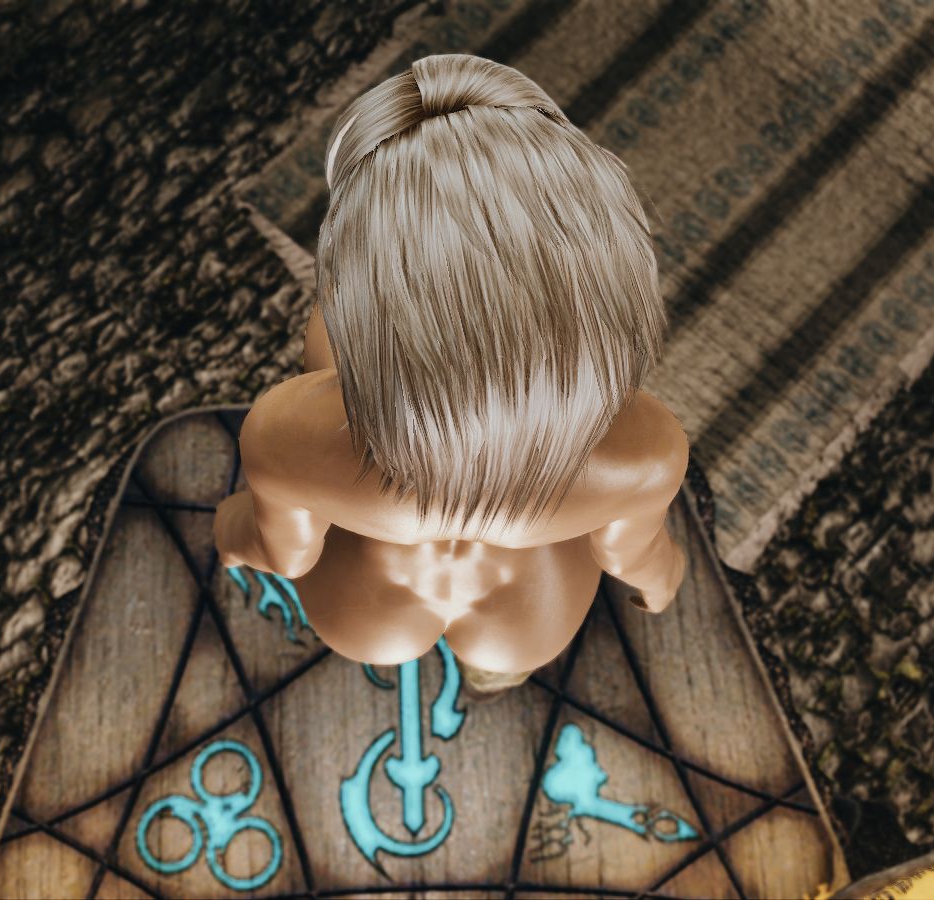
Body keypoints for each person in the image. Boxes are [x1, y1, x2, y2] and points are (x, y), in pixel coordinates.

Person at [215, 54, 688, 696]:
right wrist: (663, 585)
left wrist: (229, 532)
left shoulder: (284, 431)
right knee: (514, 649)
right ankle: (495, 671)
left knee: (327, 339)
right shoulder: (645, 450)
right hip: (526, 615)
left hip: (369, 610)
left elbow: (285, 555)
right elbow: (633, 557)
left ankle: (417, 640)